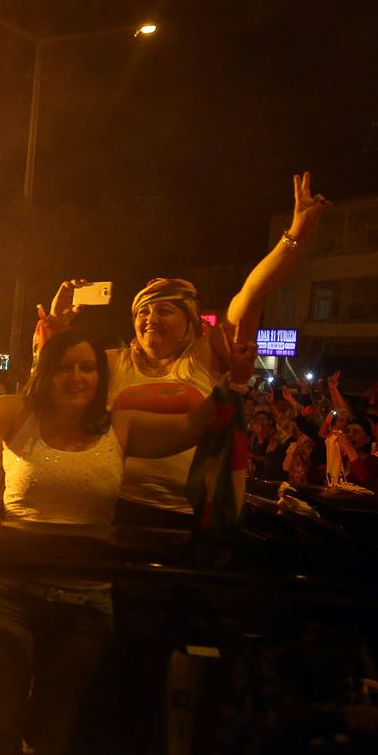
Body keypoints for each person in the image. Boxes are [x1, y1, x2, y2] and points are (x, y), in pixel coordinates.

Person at [0, 296, 255, 755]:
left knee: (57, 730)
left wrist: (236, 381)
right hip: (11, 595)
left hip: (85, 603)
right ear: (47, 373)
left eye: (87, 368)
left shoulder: (118, 427)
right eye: (66, 367)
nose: (78, 377)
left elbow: (193, 425)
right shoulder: (17, 414)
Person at [38, 173, 328, 524]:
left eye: (164, 309)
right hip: (113, 512)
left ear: (190, 321)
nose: (150, 318)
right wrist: (56, 328)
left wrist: (293, 237)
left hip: (186, 519)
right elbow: (51, 393)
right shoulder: (112, 363)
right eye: (142, 311)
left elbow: (252, 295)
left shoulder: (207, 356)